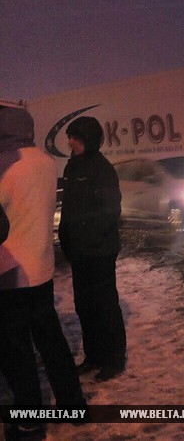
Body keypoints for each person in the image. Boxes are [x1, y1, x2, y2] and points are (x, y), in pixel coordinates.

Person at [0, 105, 86, 440]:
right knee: (51, 340)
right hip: (42, 267)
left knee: (16, 351)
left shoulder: (6, 164)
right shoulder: (47, 163)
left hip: (10, 273)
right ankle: (73, 403)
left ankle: (29, 420)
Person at [58, 116, 127, 382]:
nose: (69, 142)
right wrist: (67, 239)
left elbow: (111, 212)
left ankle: (114, 358)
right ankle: (94, 356)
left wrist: (88, 239)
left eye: (74, 136)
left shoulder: (102, 169)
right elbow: (69, 208)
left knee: (105, 305)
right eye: (69, 136)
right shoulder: (73, 167)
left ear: (87, 138)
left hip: (99, 251)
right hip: (79, 252)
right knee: (84, 305)